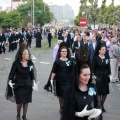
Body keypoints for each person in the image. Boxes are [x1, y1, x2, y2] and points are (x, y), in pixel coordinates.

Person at [5, 45, 37, 120]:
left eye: (28, 54)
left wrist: (34, 83)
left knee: (26, 101)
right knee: (19, 101)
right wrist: (10, 82)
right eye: (26, 54)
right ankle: (18, 115)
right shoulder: (16, 63)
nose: (28, 56)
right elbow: (11, 74)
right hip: (19, 85)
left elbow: (32, 75)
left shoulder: (30, 63)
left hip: (28, 85)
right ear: (22, 55)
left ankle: (24, 116)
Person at [50, 46, 73, 114]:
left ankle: (66, 108)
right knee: (61, 96)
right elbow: (54, 71)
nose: (64, 52)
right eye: (63, 51)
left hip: (68, 81)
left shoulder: (70, 61)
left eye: (65, 51)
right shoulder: (57, 61)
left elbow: (72, 71)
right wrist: (51, 80)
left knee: (67, 96)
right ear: (60, 52)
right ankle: (61, 107)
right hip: (60, 82)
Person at [92, 45, 111, 113]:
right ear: (99, 50)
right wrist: (93, 75)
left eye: (105, 49)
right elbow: (93, 68)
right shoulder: (96, 58)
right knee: (98, 92)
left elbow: (108, 67)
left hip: (105, 77)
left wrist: (108, 74)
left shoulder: (106, 58)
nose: (104, 51)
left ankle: (101, 105)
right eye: (103, 49)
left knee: (105, 92)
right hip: (98, 76)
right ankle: (99, 107)